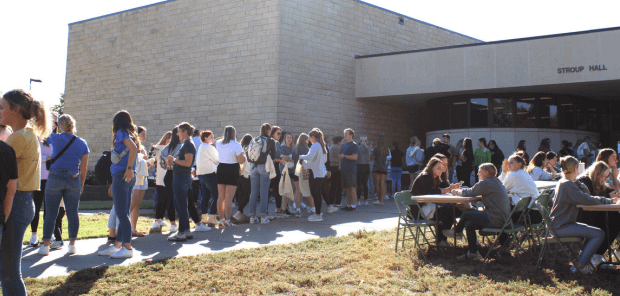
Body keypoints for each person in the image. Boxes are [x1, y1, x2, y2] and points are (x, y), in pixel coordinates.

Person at [0, 89, 51, 294]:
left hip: (16, 202)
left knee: (10, 273)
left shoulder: (17, 139)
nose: (0, 111)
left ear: (16, 110)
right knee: (7, 271)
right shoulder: (26, 135)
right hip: (23, 201)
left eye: (2, 107)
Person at [550, 156, 619, 275]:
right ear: (576, 168)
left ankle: (581, 263)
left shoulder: (566, 182)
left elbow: (585, 193)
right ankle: (579, 265)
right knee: (599, 233)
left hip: (561, 223)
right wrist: (608, 200)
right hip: (562, 226)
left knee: (597, 232)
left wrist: (576, 180)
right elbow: (586, 199)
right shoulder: (568, 185)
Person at [37, 114, 89, 256]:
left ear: (59, 126)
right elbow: (83, 168)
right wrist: (82, 184)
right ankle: (72, 245)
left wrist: (51, 123)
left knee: (51, 214)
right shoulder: (82, 143)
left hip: (55, 177)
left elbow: (43, 134)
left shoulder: (55, 137)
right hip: (73, 178)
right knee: (72, 214)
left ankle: (46, 246)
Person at [443, 163, 511, 260]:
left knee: (467, 213)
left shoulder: (485, 182)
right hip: (504, 220)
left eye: (480, 172)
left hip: (495, 219)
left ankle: (456, 231)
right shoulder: (497, 181)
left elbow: (469, 192)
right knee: (469, 224)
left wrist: (455, 192)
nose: (478, 174)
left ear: (486, 172)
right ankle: (472, 253)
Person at [97, 110, 138, 259]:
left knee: (121, 213)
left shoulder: (121, 132)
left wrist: (128, 169)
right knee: (124, 213)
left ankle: (127, 248)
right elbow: (133, 149)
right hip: (126, 176)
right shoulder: (130, 133)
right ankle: (117, 246)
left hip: (122, 175)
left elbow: (133, 149)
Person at [577, 161, 620, 267]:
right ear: (597, 174)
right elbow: (590, 199)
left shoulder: (597, 182)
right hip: (583, 216)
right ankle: (597, 255)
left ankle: (599, 254)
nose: (605, 179)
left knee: (616, 219)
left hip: (594, 213)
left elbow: (609, 191)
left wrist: (615, 194)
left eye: (606, 177)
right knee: (615, 220)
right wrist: (608, 196)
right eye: (604, 177)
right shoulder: (585, 181)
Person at [167, 122, 206, 241]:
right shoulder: (187, 144)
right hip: (183, 177)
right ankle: (187, 231)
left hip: (182, 178)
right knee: (182, 205)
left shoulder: (188, 145)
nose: (177, 134)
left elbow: (188, 163)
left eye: (179, 131)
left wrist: (174, 160)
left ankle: (181, 232)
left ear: (185, 132)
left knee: (181, 206)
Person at [29, 115, 56, 247]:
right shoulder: (35, 139)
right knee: (36, 206)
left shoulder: (53, 141)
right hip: (38, 178)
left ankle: (48, 235)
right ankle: (34, 234)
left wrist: (45, 159)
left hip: (50, 179)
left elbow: (53, 158)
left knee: (49, 208)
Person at [246, 123, 277, 224]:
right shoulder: (270, 141)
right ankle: (263, 217)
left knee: (253, 192)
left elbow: (247, 153)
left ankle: (252, 217)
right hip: (264, 167)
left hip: (253, 167)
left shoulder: (254, 140)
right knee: (264, 192)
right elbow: (274, 155)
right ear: (269, 131)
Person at [299, 129, 330, 222]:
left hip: (315, 173)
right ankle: (318, 213)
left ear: (312, 137)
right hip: (321, 172)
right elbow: (323, 160)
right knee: (318, 194)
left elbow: (310, 157)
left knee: (315, 194)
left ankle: (318, 215)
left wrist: (301, 157)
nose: (309, 140)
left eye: (309, 138)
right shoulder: (321, 145)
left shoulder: (315, 145)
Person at [155, 129, 180, 234]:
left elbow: (162, 164)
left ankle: (172, 223)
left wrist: (168, 162)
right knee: (173, 200)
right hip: (176, 173)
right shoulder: (181, 147)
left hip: (168, 174)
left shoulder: (165, 148)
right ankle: (174, 224)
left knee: (168, 200)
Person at [151, 131, 176, 231]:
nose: (169, 142)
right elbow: (152, 157)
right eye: (168, 140)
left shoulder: (165, 149)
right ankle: (158, 220)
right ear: (165, 140)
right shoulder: (160, 149)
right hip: (161, 179)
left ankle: (167, 222)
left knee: (168, 201)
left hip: (168, 178)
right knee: (161, 201)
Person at [129, 126, 151, 237]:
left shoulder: (143, 148)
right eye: (143, 135)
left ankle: (134, 228)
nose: (145, 137)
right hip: (135, 176)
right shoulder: (132, 146)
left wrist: (149, 162)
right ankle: (123, 226)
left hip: (143, 176)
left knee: (137, 203)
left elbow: (145, 162)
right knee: (132, 202)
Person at [196, 130, 220, 226]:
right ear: (205, 138)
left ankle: (204, 217)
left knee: (205, 196)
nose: (213, 139)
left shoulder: (201, 147)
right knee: (217, 195)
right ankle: (212, 216)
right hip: (210, 173)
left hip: (201, 174)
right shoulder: (209, 147)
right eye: (211, 137)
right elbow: (217, 160)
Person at [234, 134, 253, 221]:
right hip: (246, 174)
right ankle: (238, 212)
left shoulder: (239, 148)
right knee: (246, 195)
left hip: (238, 174)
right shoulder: (249, 149)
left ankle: (240, 213)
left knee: (240, 195)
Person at [293, 133, 314, 216]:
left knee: (298, 191)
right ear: (305, 140)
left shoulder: (295, 149)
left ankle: (298, 210)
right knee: (307, 190)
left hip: (296, 171)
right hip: (304, 172)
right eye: (307, 139)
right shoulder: (307, 149)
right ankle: (311, 208)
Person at [339, 128, 358, 211]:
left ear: (351, 135)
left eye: (347, 133)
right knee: (346, 187)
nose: (345, 135)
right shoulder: (344, 145)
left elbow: (355, 157)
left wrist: (345, 156)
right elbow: (341, 156)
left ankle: (353, 205)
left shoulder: (354, 145)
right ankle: (348, 204)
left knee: (352, 187)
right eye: (345, 133)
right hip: (344, 169)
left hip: (351, 170)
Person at [279, 132, 296, 215]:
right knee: (286, 190)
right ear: (285, 139)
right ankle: (284, 208)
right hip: (285, 170)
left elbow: (295, 158)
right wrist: (289, 158)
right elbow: (282, 157)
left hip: (293, 170)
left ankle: (291, 206)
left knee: (292, 189)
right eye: (287, 137)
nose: (289, 139)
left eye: (290, 137)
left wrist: (289, 158)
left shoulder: (294, 148)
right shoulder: (282, 147)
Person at [372, 134, 390, 205]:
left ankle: (379, 200)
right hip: (383, 167)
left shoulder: (376, 148)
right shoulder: (386, 149)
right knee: (382, 184)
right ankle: (381, 201)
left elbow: (373, 158)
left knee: (377, 184)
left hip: (376, 167)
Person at [328, 136, 343, 210]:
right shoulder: (339, 148)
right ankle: (338, 201)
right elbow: (340, 158)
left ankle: (331, 201)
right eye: (342, 141)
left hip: (331, 167)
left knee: (333, 185)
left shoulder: (331, 147)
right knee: (339, 185)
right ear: (339, 141)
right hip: (337, 167)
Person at [356, 135, 371, 206]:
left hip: (360, 166)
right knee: (365, 184)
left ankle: (358, 200)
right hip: (367, 166)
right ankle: (365, 200)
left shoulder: (358, 148)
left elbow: (357, 158)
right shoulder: (369, 148)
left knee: (359, 184)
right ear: (366, 140)